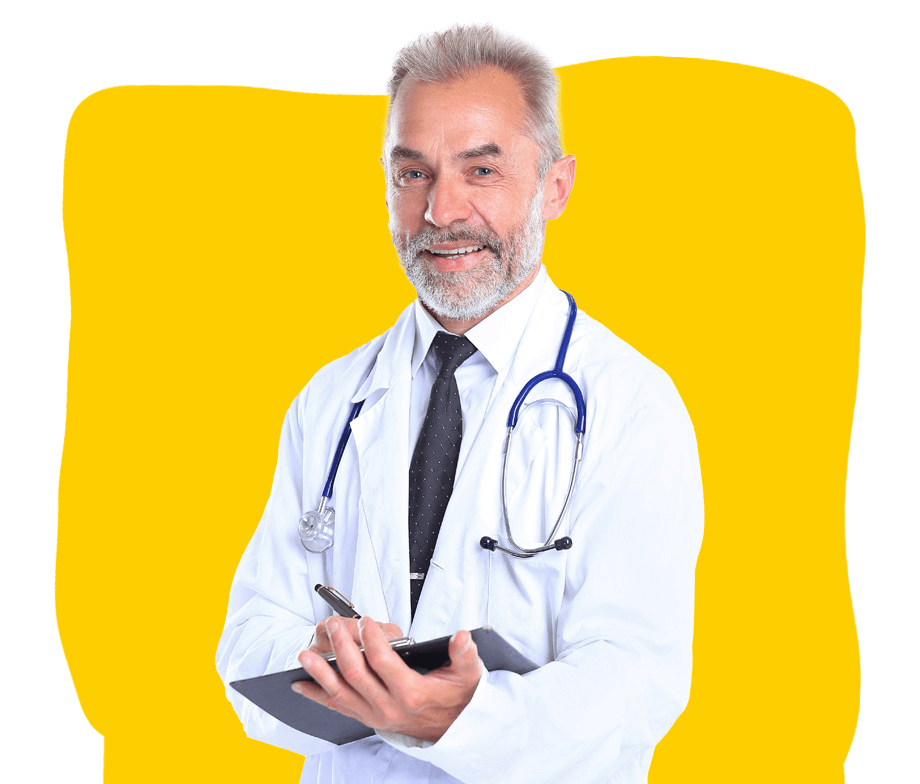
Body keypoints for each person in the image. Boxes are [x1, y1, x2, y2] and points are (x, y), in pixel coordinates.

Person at [216, 23, 703, 784]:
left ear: (556, 185)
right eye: (413, 174)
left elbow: (637, 677)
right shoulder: (332, 399)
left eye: (481, 170)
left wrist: (458, 718)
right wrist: (355, 674)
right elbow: (248, 638)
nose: (441, 211)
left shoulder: (628, 403)